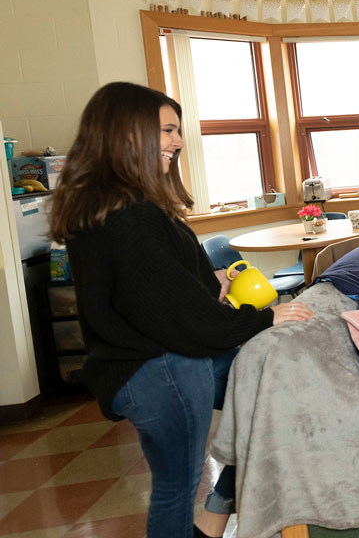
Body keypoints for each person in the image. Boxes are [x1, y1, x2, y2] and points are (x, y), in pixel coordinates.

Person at [47, 82, 314, 538]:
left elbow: (155, 292)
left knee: (264, 401)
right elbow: (183, 318)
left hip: (154, 366)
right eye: (167, 130)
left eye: (178, 130)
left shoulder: (112, 207)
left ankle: (211, 521)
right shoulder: (130, 217)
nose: (178, 141)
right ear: (128, 133)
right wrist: (264, 318)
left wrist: (213, 283)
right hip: (162, 371)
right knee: (175, 488)